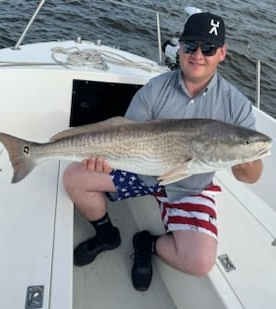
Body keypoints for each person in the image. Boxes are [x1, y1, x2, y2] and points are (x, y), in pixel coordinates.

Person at [63, 12, 263, 291]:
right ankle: (107, 234)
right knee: (75, 177)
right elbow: (126, 136)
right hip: (141, 171)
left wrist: (244, 158)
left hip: (191, 185)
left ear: (222, 53)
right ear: (180, 47)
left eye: (208, 48)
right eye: (191, 46)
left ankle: (147, 244)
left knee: (200, 262)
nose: (198, 55)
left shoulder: (236, 106)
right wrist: (106, 160)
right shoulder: (155, 88)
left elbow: (251, 177)